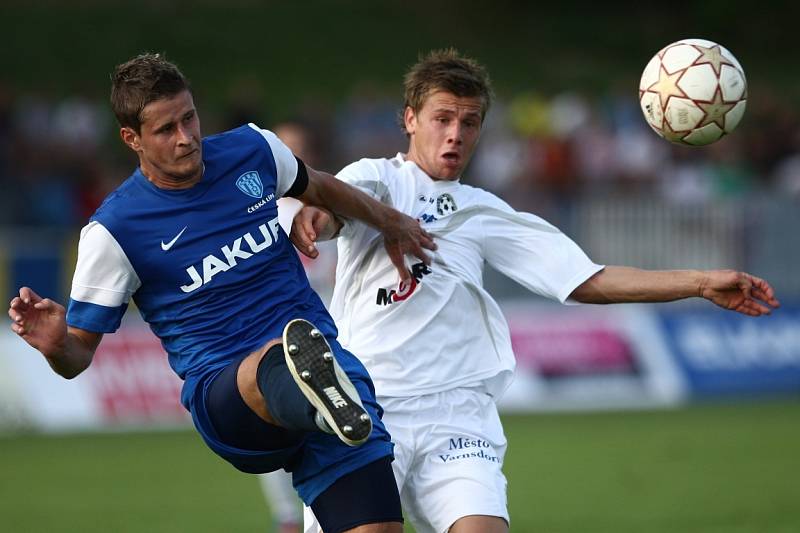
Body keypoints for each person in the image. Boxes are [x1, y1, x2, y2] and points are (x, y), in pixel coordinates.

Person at [286, 49, 781, 533]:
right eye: (442, 118)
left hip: (457, 418)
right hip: (365, 406)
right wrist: (318, 217)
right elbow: (335, 205)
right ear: (411, 119)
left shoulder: (484, 212)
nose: (456, 134)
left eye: (470, 122)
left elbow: (588, 280)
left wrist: (698, 282)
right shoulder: (374, 179)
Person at [7, 53, 438, 533]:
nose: (186, 137)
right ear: (132, 139)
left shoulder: (253, 151)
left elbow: (318, 187)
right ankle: (314, 394)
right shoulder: (113, 231)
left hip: (331, 375)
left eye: (189, 117)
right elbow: (77, 356)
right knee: (283, 354)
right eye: (166, 129)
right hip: (228, 398)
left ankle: (325, 402)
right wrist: (55, 345)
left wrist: (392, 222)